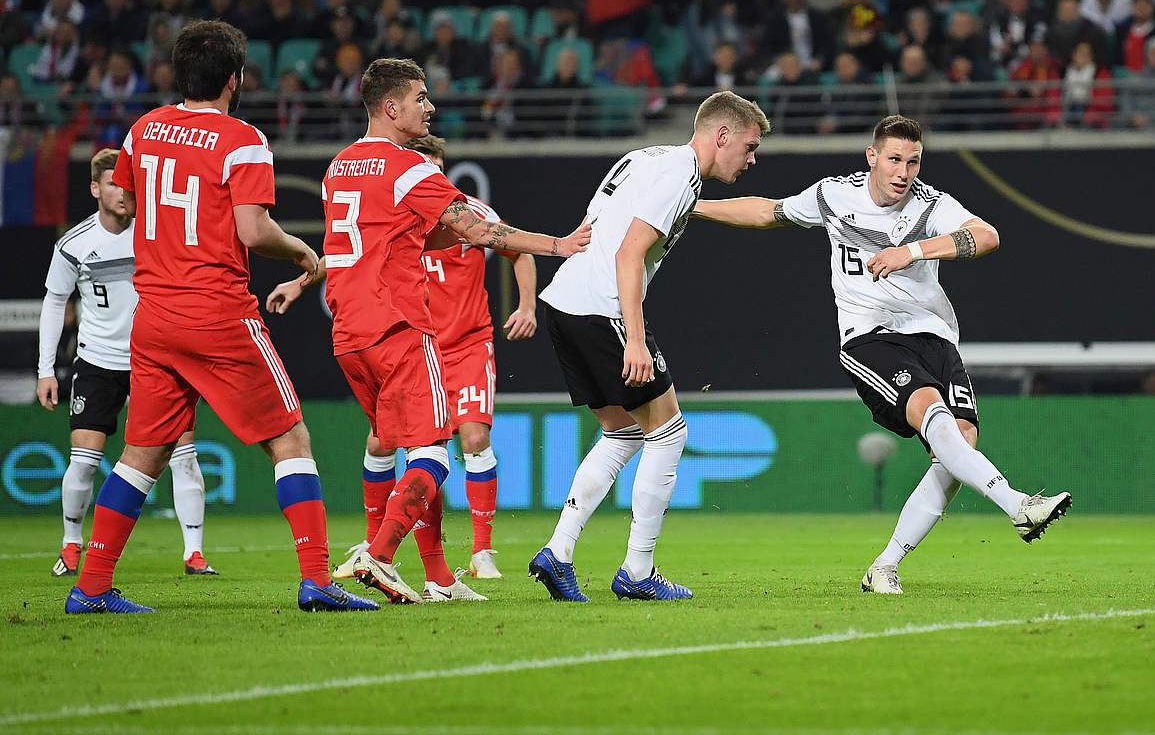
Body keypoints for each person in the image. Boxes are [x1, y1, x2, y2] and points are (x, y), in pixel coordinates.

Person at [64, 20, 379, 615]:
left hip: (153, 316)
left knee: (144, 452)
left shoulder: (142, 131)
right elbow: (254, 231)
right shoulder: (243, 140)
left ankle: (91, 587)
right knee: (290, 437)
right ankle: (316, 578)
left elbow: (128, 201)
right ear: (235, 78)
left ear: (177, 73)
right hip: (216, 312)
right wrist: (302, 251)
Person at [691, 115, 1073, 595]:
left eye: (913, 161)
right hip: (870, 335)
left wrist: (910, 252)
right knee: (931, 413)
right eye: (894, 159)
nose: (904, 172)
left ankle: (885, 565)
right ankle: (1018, 505)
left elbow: (988, 235)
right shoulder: (834, 195)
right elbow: (769, 210)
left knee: (960, 445)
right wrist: (696, 206)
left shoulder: (931, 204)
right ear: (872, 157)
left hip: (935, 336)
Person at [319, 57, 589, 604]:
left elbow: (409, 240)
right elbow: (479, 229)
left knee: (419, 445)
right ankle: (380, 555)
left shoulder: (339, 167)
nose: (431, 107)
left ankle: (440, 577)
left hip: (349, 331)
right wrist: (559, 245)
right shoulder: (408, 168)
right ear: (391, 107)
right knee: (435, 458)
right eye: (421, 97)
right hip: (398, 326)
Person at [267, 133, 539, 590]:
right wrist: (300, 282)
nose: (420, 175)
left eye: (427, 168)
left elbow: (517, 249)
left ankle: (478, 550)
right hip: (414, 343)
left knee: (469, 437)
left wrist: (527, 306)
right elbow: (350, 256)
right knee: (386, 445)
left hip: (466, 344)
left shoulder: (467, 214)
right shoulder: (395, 214)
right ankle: (386, 552)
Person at [529, 90, 769, 603]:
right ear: (721, 134)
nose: (751, 160)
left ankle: (559, 551)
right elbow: (629, 251)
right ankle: (638, 571)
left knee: (622, 432)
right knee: (670, 431)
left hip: (565, 301)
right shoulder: (679, 175)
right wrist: (635, 341)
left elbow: (592, 226)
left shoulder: (644, 156)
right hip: (604, 307)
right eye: (748, 148)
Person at [39, 149, 218, 580]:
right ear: (95, 189)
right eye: (114, 183)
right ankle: (71, 545)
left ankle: (194, 553)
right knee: (83, 460)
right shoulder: (75, 244)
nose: (123, 191)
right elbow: (55, 301)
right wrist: (46, 368)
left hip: (155, 360)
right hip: (98, 362)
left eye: (128, 182)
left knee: (184, 456)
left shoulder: (156, 234)